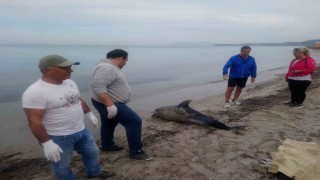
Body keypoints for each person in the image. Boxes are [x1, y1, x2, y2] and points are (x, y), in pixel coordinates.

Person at [22, 55, 115, 179]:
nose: (71, 70)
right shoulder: (35, 92)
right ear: (48, 70)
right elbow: (34, 121)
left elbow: (77, 99)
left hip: (81, 130)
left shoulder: (70, 82)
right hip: (58, 136)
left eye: (70, 67)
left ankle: (94, 172)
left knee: (92, 152)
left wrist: (89, 113)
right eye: (65, 68)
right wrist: (47, 143)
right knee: (62, 166)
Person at [90, 49, 152, 161]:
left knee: (109, 123)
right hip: (110, 103)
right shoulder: (106, 68)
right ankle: (136, 151)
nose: (125, 63)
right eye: (126, 60)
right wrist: (110, 106)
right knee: (134, 122)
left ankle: (107, 145)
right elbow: (98, 87)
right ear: (121, 58)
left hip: (105, 102)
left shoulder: (107, 66)